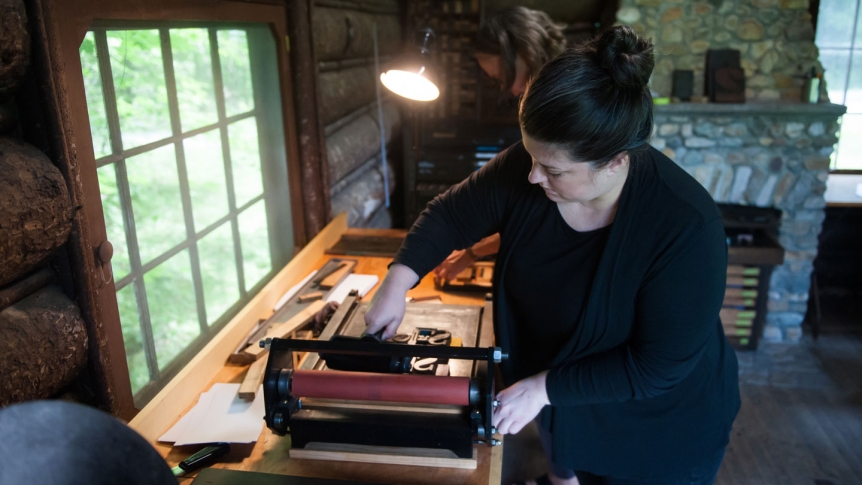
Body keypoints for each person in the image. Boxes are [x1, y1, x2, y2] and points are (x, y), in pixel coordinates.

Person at [366, 26, 740, 485]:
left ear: (616, 161)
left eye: (553, 169)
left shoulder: (685, 226)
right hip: (562, 403)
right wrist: (398, 281)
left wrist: (545, 388)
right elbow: (450, 215)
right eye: (530, 157)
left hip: (660, 430)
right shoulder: (528, 170)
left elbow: (654, 367)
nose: (531, 177)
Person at [434, 6, 567, 283]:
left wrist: (472, 253)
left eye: (503, 77)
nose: (511, 90)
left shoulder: (563, 111)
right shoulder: (548, 102)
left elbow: (541, 216)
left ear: (525, 52)